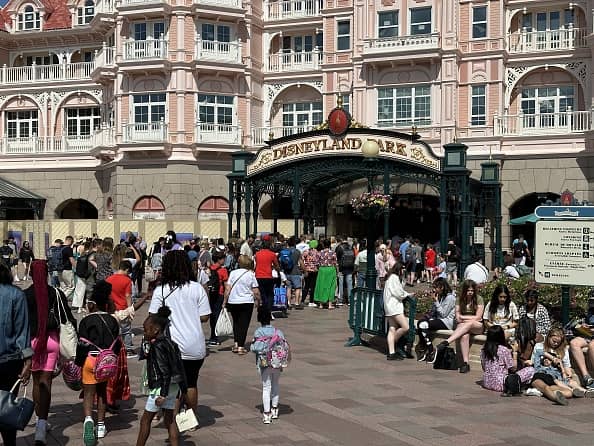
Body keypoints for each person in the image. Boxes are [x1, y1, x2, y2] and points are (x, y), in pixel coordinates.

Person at [149, 250, 211, 426]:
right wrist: (190, 315)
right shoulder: (196, 288)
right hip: (195, 344)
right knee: (191, 383)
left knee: (171, 384)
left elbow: (152, 316)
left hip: (170, 346)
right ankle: (190, 420)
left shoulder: (161, 290)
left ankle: (171, 419)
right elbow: (205, 316)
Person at [25, 260, 76, 446]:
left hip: (32, 342)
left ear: (30, 274)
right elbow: (68, 318)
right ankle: (42, 424)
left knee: (36, 381)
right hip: (52, 340)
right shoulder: (56, 293)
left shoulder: (25, 294)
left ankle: (40, 422)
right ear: (47, 274)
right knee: (47, 381)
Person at [76, 280, 121, 445]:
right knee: (102, 392)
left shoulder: (86, 321)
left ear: (92, 305)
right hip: (106, 361)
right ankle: (101, 425)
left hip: (90, 360)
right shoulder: (112, 320)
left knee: (89, 393)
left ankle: (89, 420)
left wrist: (79, 363)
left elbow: (82, 345)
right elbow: (117, 344)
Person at [136, 306, 188, 446]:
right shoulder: (171, 343)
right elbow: (179, 368)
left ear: (155, 330)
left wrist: (163, 394)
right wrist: (183, 389)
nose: (144, 332)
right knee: (170, 420)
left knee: (145, 420)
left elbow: (164, 371)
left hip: (161, 388)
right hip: (173, 387)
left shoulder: (157, 347)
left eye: (146, 330)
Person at [0, 262, 33, 446]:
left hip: (8, 359)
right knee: (6, 406)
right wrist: (28, 362)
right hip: (10, 361)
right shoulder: (16, 295)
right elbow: (23, 331)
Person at [528, 327, 591, 405]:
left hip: (556, 376)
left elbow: (566, 365)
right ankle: (556, 398)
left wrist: (567, 373)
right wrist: (553, 358)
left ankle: (584, 392)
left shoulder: (562, 349)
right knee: (549, 386)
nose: (556, 344)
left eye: (558, 342)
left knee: (570, 389)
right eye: (554, 341)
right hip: (543, 376)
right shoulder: (539, 347)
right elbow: (537, 356)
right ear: (548, 337)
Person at [437, 279, 484, 373]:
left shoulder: (479, 299)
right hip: (463, 326)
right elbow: (457, 318)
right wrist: (466, 318)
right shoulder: (459, 299)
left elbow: (478, 317)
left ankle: (447, 341)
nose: (470, 292)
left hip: (477, 326)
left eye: (472, 290)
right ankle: (465, 364)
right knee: (464, 336)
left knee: (469, 324)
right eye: (468, 290)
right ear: (464, 290)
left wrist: (463, 317)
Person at [250, 307, 287, 424]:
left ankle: (267, 414)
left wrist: (251, 346)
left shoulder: (259, 332)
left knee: (266, 387)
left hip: (265, 363)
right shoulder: (278, 332)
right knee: (275, 384)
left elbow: (256, 348)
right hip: (277, 363)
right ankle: (275, 409)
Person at [223, 255, 261, 355]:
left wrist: (224, 301)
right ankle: (241, 346)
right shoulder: (250, 274)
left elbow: (228, 288)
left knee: (236, 323)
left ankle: (236, 344)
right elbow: (256, 291)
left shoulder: (233, 273)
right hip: (246, 301)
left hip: (233, 301)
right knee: (244, 324)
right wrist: (258, 300)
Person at [481, 325, 534, 393]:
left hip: (487, 382)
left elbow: (484, 367)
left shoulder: (483, 349)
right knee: (530, 370)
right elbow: (513, 368)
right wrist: (515, 352)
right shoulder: (503, 350)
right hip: (501, 384)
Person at [416, 277, 456, 362]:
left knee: (423, 325)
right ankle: (428, 347)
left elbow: (443, 314)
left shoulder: (450, 298)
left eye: (435, 287)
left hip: (447, 322)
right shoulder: (440, 296)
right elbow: (435, 312)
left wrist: (436, 301)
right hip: (439, 320)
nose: (434, 290)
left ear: (441, 287)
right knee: (421, 323)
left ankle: (429, 349)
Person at [383, 262, 412, 360]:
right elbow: (398, 292)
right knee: (406, 327)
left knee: (392, 328)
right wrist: (407, 295)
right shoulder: (394, 278)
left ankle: (391, 352)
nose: (403, 271)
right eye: (402, 269)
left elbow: (399, 288)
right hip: (394, 307)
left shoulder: (391, 277)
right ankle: (394, 340)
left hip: (388, 306)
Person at [106, 260, 135, 356]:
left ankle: (113, 348)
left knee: (113, 330)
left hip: (112, 308)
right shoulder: (127, 280)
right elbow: (128, 295)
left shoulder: (109, 279)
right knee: (126, 330)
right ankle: (128, 349)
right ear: (126, 269)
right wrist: (130, 308)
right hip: (123, 308)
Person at [518, 289, 551, 367]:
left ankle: (523, 360)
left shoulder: (542, 310)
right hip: (524, 332)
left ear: (536, 300)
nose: (529, 302)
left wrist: (534, 329)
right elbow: (519, 322)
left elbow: (547, 327)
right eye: (528, 300)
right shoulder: (523, 309)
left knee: (532, 340)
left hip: (539, 334)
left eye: (531, 300)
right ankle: (519, 357)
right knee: (519, 340)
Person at [207, 252, 229, 346]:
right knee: (217, 316)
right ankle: (215, 337)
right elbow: (226, 286)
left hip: (211, 294)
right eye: (223, 258)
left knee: (212, 315)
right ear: (220, 259)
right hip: (219, 294)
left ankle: (212, 336)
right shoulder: (223, 270)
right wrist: (225, 300)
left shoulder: (210, 268)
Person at [254, 238, 280, 312]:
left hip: (258, 275)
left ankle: (263, 306)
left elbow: (256, 263)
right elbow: (277, 266)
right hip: (268, 276)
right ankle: (268, 308)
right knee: (269, 294)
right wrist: (278, 272)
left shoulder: (257, 254)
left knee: (262, 293)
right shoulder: (272, 254)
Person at [313, 239, 338, 309]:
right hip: (331, 269)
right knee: (331, 286)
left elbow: (316, 263)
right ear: (330, 244)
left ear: (323, 245)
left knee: (321, 285)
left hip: (322, 270)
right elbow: (336, 263)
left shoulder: (319, 253)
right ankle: (330, 304)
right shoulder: (333, 253)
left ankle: (321, 304)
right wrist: (337, 272)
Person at [301, 240, 319, 306]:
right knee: (313, 286)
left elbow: (302, 259)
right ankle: (311, 301)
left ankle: (302, 300)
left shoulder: (306, 251)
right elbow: (318, 262)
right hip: (314, 271)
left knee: (306, 286)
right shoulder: (317, 252)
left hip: (307, 270)